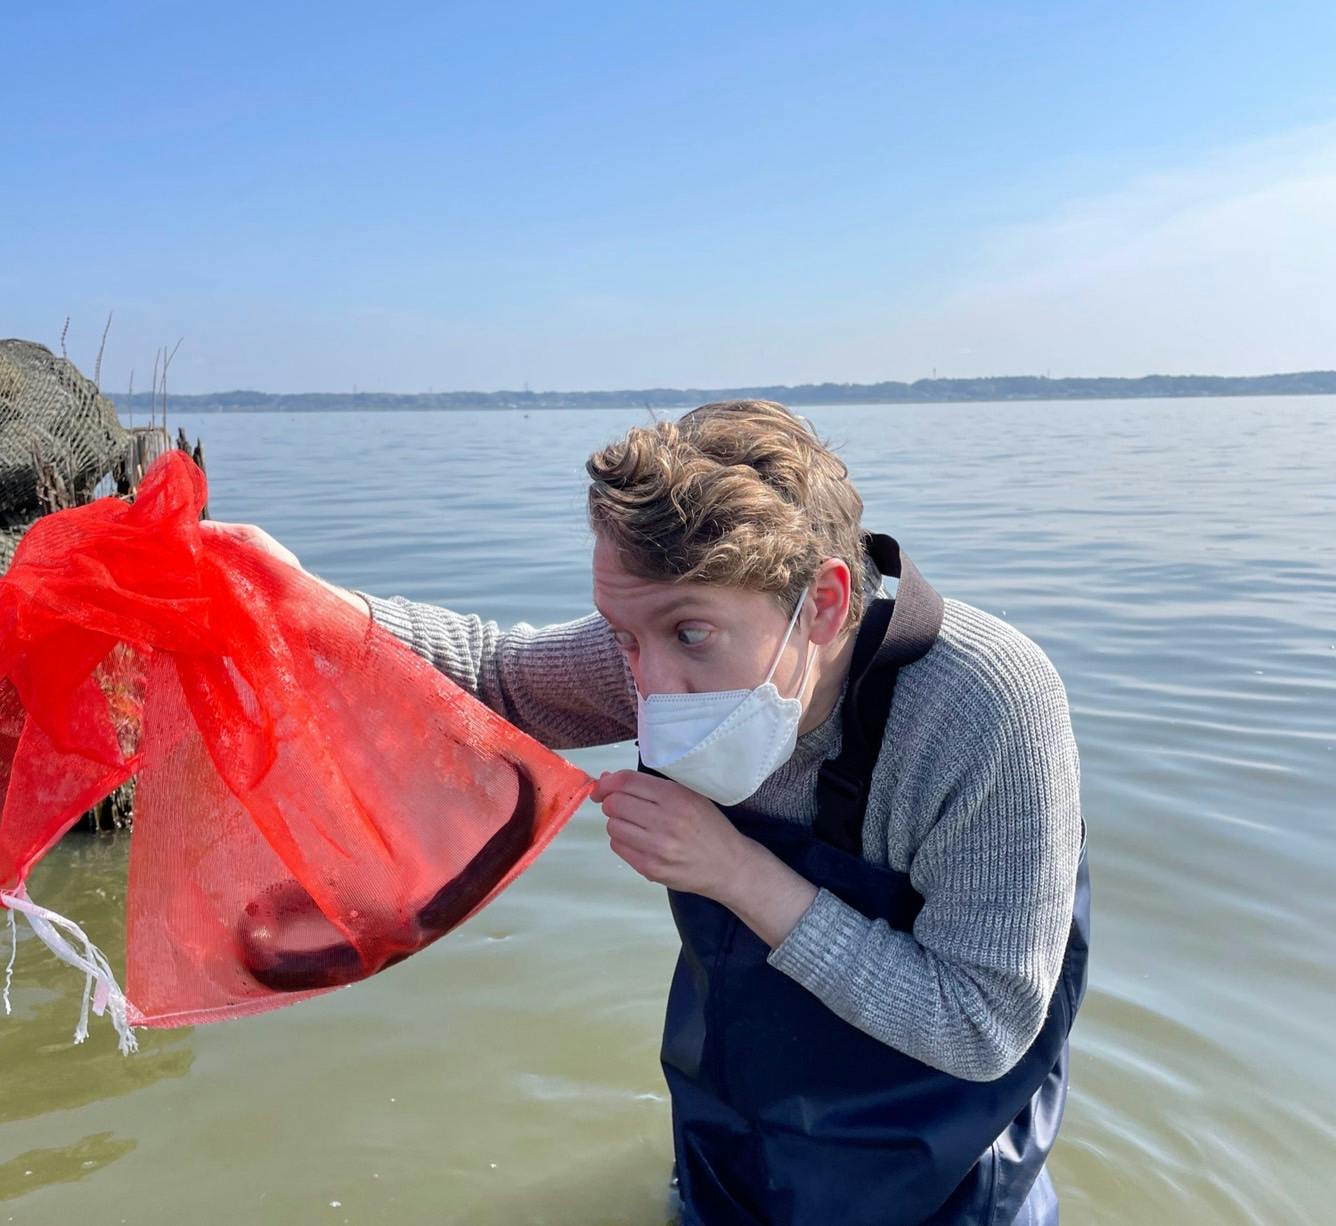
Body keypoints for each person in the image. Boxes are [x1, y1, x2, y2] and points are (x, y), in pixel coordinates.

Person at [211, 400, 1088, 1225]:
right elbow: (499, 674)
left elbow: (983, 1025)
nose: (651, 691)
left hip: (946, 1176)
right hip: (740, 1138)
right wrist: (309, 607)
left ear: (820, 604)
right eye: (624, 639)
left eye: (689, 636)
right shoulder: (653, 644)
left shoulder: (986, 709)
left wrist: (736, 872)